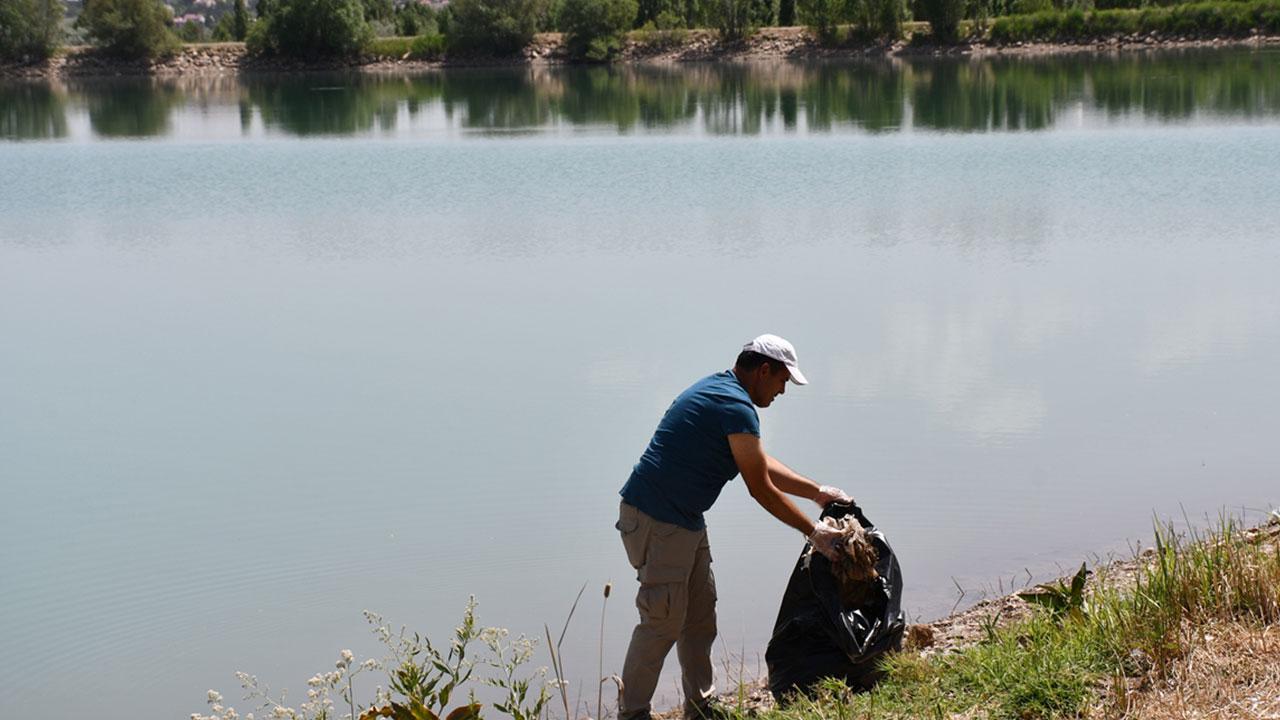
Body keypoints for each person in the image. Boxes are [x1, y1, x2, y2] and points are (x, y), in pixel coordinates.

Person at [616, 334, 853, 720]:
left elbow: (757, 462)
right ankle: (633, 713)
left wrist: (817, 492)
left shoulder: (725, 393)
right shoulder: (734, 405)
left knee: (699, 617)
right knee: (661, 621)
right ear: (763, 370)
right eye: (782, 381)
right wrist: (814, 532)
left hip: (684, 519)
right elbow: (759, 488)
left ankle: (701, 707)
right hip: (656, 519)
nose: (782, 391)